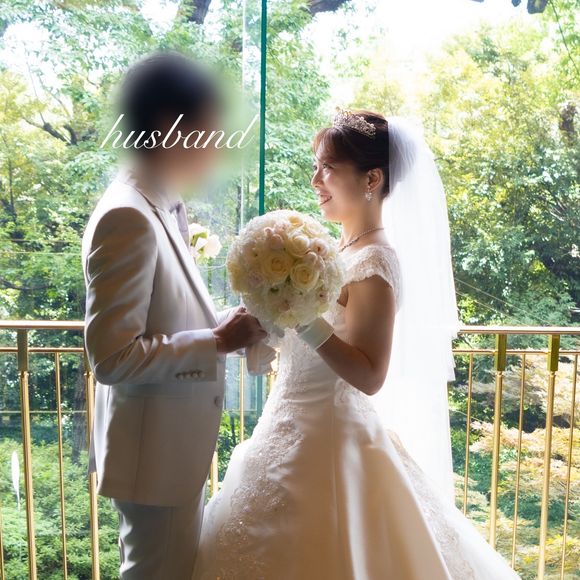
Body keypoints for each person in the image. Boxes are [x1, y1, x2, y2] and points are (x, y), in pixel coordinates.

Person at [192, 109, 520, 579]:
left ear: (371, 179)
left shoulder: (375, 261)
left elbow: (369, 374)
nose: (315, 180)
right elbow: (307, 346)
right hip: (284, 423)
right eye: (316, 167)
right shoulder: (333, 252)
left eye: (328, 168)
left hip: (329, 438)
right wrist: (269, 319)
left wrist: (304, 319)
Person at [82, 51, 268, 580]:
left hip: (167, 455)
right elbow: (112, 357)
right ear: (169, 127)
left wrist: (227, 325)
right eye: (210, 128)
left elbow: (164, 314)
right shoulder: (129, 215)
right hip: (154, 462)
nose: (217, 146)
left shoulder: (160, 204)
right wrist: (217, 341)